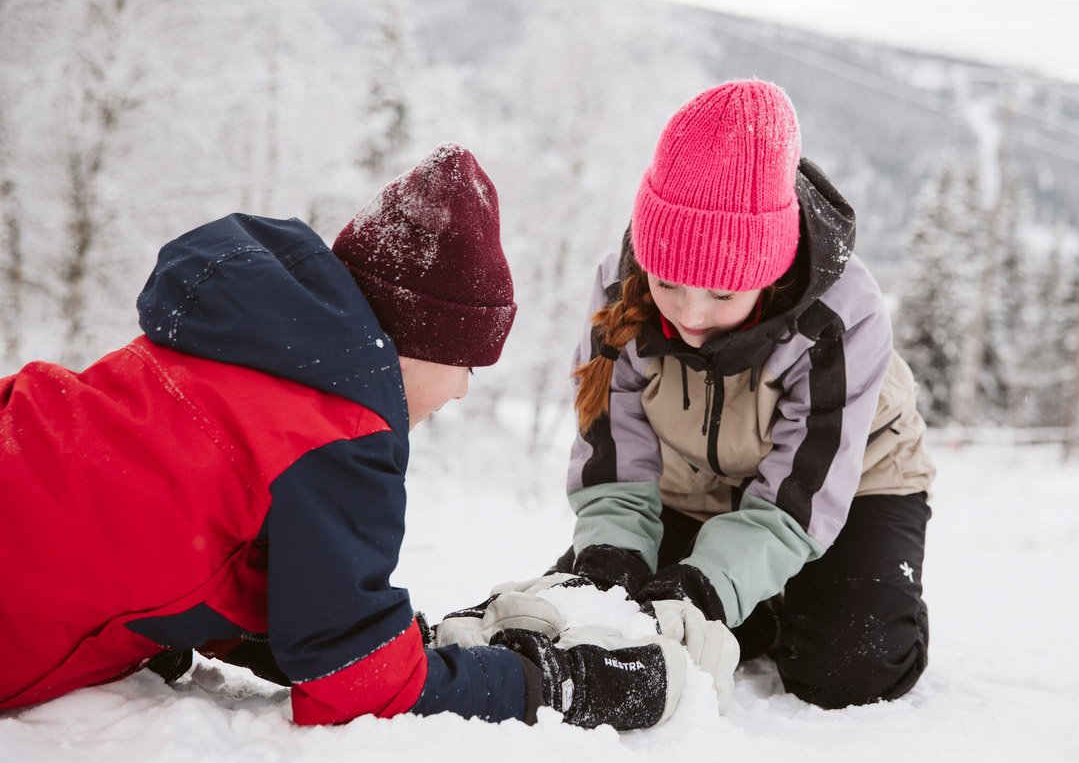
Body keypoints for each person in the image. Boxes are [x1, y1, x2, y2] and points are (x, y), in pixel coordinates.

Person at [0, 143, 684, 730]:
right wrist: (552, 682)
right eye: (467, 365)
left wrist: (314, 627)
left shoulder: (233, 351)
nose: (464, 390)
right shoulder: (341, 430)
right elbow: (357, 683)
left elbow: (169, 514)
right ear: (416, 347)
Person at [551, 79, 936, 708]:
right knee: (597, 613)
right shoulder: (621, 287)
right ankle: (756, 607)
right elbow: (613, 455)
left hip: (847, 482)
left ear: (770, 272)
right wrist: (613, 560)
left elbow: (799, 494)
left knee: (848, 667)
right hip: (695, 482)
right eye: (670, 283)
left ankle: (831, 595)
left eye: (724, 294)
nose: (691, 314)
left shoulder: (842, 316)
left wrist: (706, 587)